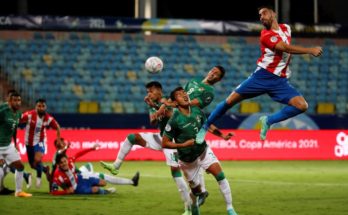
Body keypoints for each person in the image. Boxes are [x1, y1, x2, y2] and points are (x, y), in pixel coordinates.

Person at [195, 6, 323, 143]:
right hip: (262, 76)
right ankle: (205, 127)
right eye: (259, 15)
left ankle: (268, 120)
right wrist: (309, 50)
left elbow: (287, 50)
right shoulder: (265, 35)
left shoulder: (286, 28)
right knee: (229, 102)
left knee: (302, 105)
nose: (261, 17)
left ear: (273, 14)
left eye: (264, 13)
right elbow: (284, 48)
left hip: (280, 81)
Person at [162, 87, 238, 215]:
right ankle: (195, 204)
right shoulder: (174, 120)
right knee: (196, 191)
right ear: (175, 103)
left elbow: (207, 126)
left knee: (220, 176)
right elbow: (165, 143)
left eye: (184, 93)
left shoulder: (197, 110)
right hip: (187, 160)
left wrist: (222, 135)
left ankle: (230, 208)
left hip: (203, 151)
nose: (184, 95)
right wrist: (183, 144)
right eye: (180, 95)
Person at [51, 145, 140, 195]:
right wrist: (65, 192)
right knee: (96, 189)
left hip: (81, 178)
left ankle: (132, 182)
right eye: (61, 163)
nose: (64, 163)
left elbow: (79, 153)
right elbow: (53, 191)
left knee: (103, 181)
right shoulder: (57, 175)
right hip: (77, 188)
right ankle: (107, 192)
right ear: (58, 164)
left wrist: (92, 148)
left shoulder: (70, 161)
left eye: (64, 161)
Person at [20, 98, 62, 188]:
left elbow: (58, 127)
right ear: (36, 107)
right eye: (39, 106)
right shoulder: (29, 115)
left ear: (45, 107)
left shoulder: (48, 118)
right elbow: (18, 121)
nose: (41, 108)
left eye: (43, 106)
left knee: (38, 159)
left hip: (40, 141)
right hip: (29, 143)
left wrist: (58, 140)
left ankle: (38, 177)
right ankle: (45, 169)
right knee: (33, 165)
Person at [0, 91, 32, 197]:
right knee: (0, 171)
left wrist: (15, 142)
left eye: (19, 100)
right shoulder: (3, 111)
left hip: (8, 145)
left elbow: (14, 129)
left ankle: (18, 192)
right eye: (15, 100)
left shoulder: (18, 114)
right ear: (9, 101)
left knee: (20, 166)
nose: (18, 103)